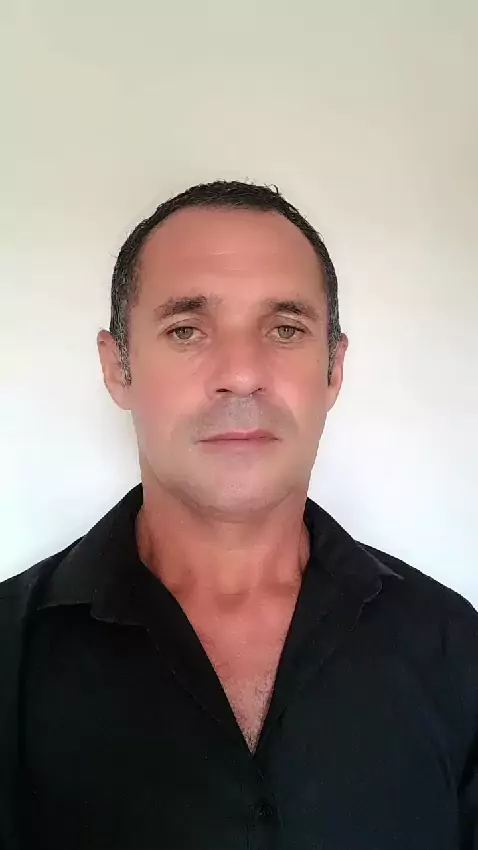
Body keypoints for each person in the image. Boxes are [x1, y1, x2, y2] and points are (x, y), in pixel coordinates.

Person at [1, 180, 477, 850]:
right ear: (118, 368)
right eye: (187, 329)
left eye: (285, 329)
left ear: (333, 370)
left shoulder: (455, 648)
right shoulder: (10, 656)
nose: (243, 372)